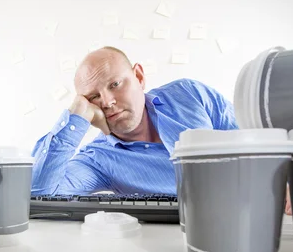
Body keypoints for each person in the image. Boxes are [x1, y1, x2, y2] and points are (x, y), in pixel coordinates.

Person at [31, 46, 239, 196]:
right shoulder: (97, 159)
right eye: (93, 97)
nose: (107, 102)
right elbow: (40, 194)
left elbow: (253, 142)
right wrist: (76, 116)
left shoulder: (190, 95)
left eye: (115, 84)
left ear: (139, 77)